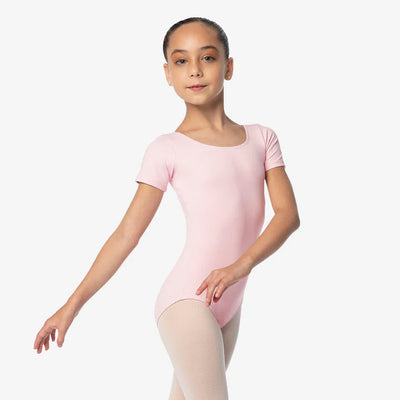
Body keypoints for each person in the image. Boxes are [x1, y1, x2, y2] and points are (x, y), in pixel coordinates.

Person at [34, 16, 300, 400]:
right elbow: (126, 235)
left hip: (230, 300)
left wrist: (239, 267)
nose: (194, 70)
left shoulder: (262, 138)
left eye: (207, 58)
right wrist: (70, 307)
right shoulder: (167, 149)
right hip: (187, 301)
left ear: (228, 66)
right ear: (167, 74)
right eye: (181, 61)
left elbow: (288, 216)